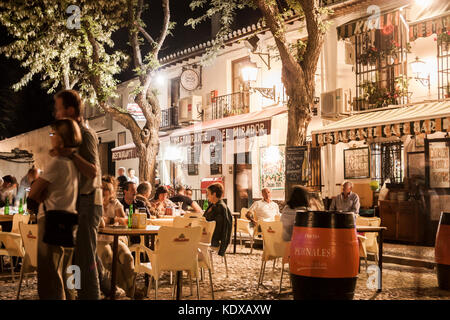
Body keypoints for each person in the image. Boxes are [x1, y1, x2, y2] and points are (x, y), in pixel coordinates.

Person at [52, 89, 103, 300]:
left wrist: (70, 154)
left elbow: (93, 170)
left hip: (88, 202)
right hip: (76, 204)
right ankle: (79, 294)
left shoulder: (86, 133)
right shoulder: (71, 135)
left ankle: (90, 296)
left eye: (58, 108)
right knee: (77, 259)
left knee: (85, 259)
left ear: (70, 110)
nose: (55, 114)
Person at [27, 118, 82, 300]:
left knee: (50, 275)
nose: (50, 137)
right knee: (64, 272)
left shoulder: (57, 163)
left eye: (53, 134)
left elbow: (33, 193)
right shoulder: (73, 164)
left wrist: (41, 193)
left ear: (60, 138)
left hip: (51, 219)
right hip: (69, 220)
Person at [97, 180, 135, 298]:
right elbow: (100, 222)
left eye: (106, 189)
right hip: (99, 240)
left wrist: (110, 219)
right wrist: (114, 219)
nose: (103, 191)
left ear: (111, 192)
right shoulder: (95, 203)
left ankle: (130, 292)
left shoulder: (115, 203)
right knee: (113, 262)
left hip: (114, 239)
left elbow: (124, 221)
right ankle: (125, 293)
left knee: (128, 258)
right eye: (101, 188)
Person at [203, 183, 232, 256]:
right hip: (212, 238)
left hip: (213, 240)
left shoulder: (218, 207)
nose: (207, 196)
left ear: (214, 194)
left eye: (208, 194)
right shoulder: (216, 205)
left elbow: (207, 222)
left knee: (190, 241)